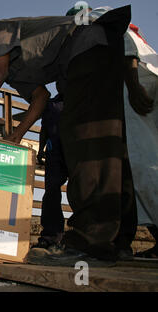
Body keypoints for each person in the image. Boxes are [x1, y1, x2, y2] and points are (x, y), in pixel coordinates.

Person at [0, 5, 147, 264]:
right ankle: (118, 242)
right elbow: (41, 97)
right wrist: (17, 135)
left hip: (87, 49)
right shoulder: (14, 73)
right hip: (97, 55)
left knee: (83, 142)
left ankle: (90, 243)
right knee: (107, 142)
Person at [76, 5, 158, 259]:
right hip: (141, 78)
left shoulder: (91, 18)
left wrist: (132, 85)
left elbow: (120, 36)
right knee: (139, 166)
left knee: (144, 164)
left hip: (135, 80)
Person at [32, 93, 68, 250]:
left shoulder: (81, 97)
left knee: (81, 190)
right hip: (54, 152)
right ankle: (51, 234)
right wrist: (41, 149)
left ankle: (84, 234)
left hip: (75, 149)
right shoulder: (50, 104)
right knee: (51, 191)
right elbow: (44, 128)